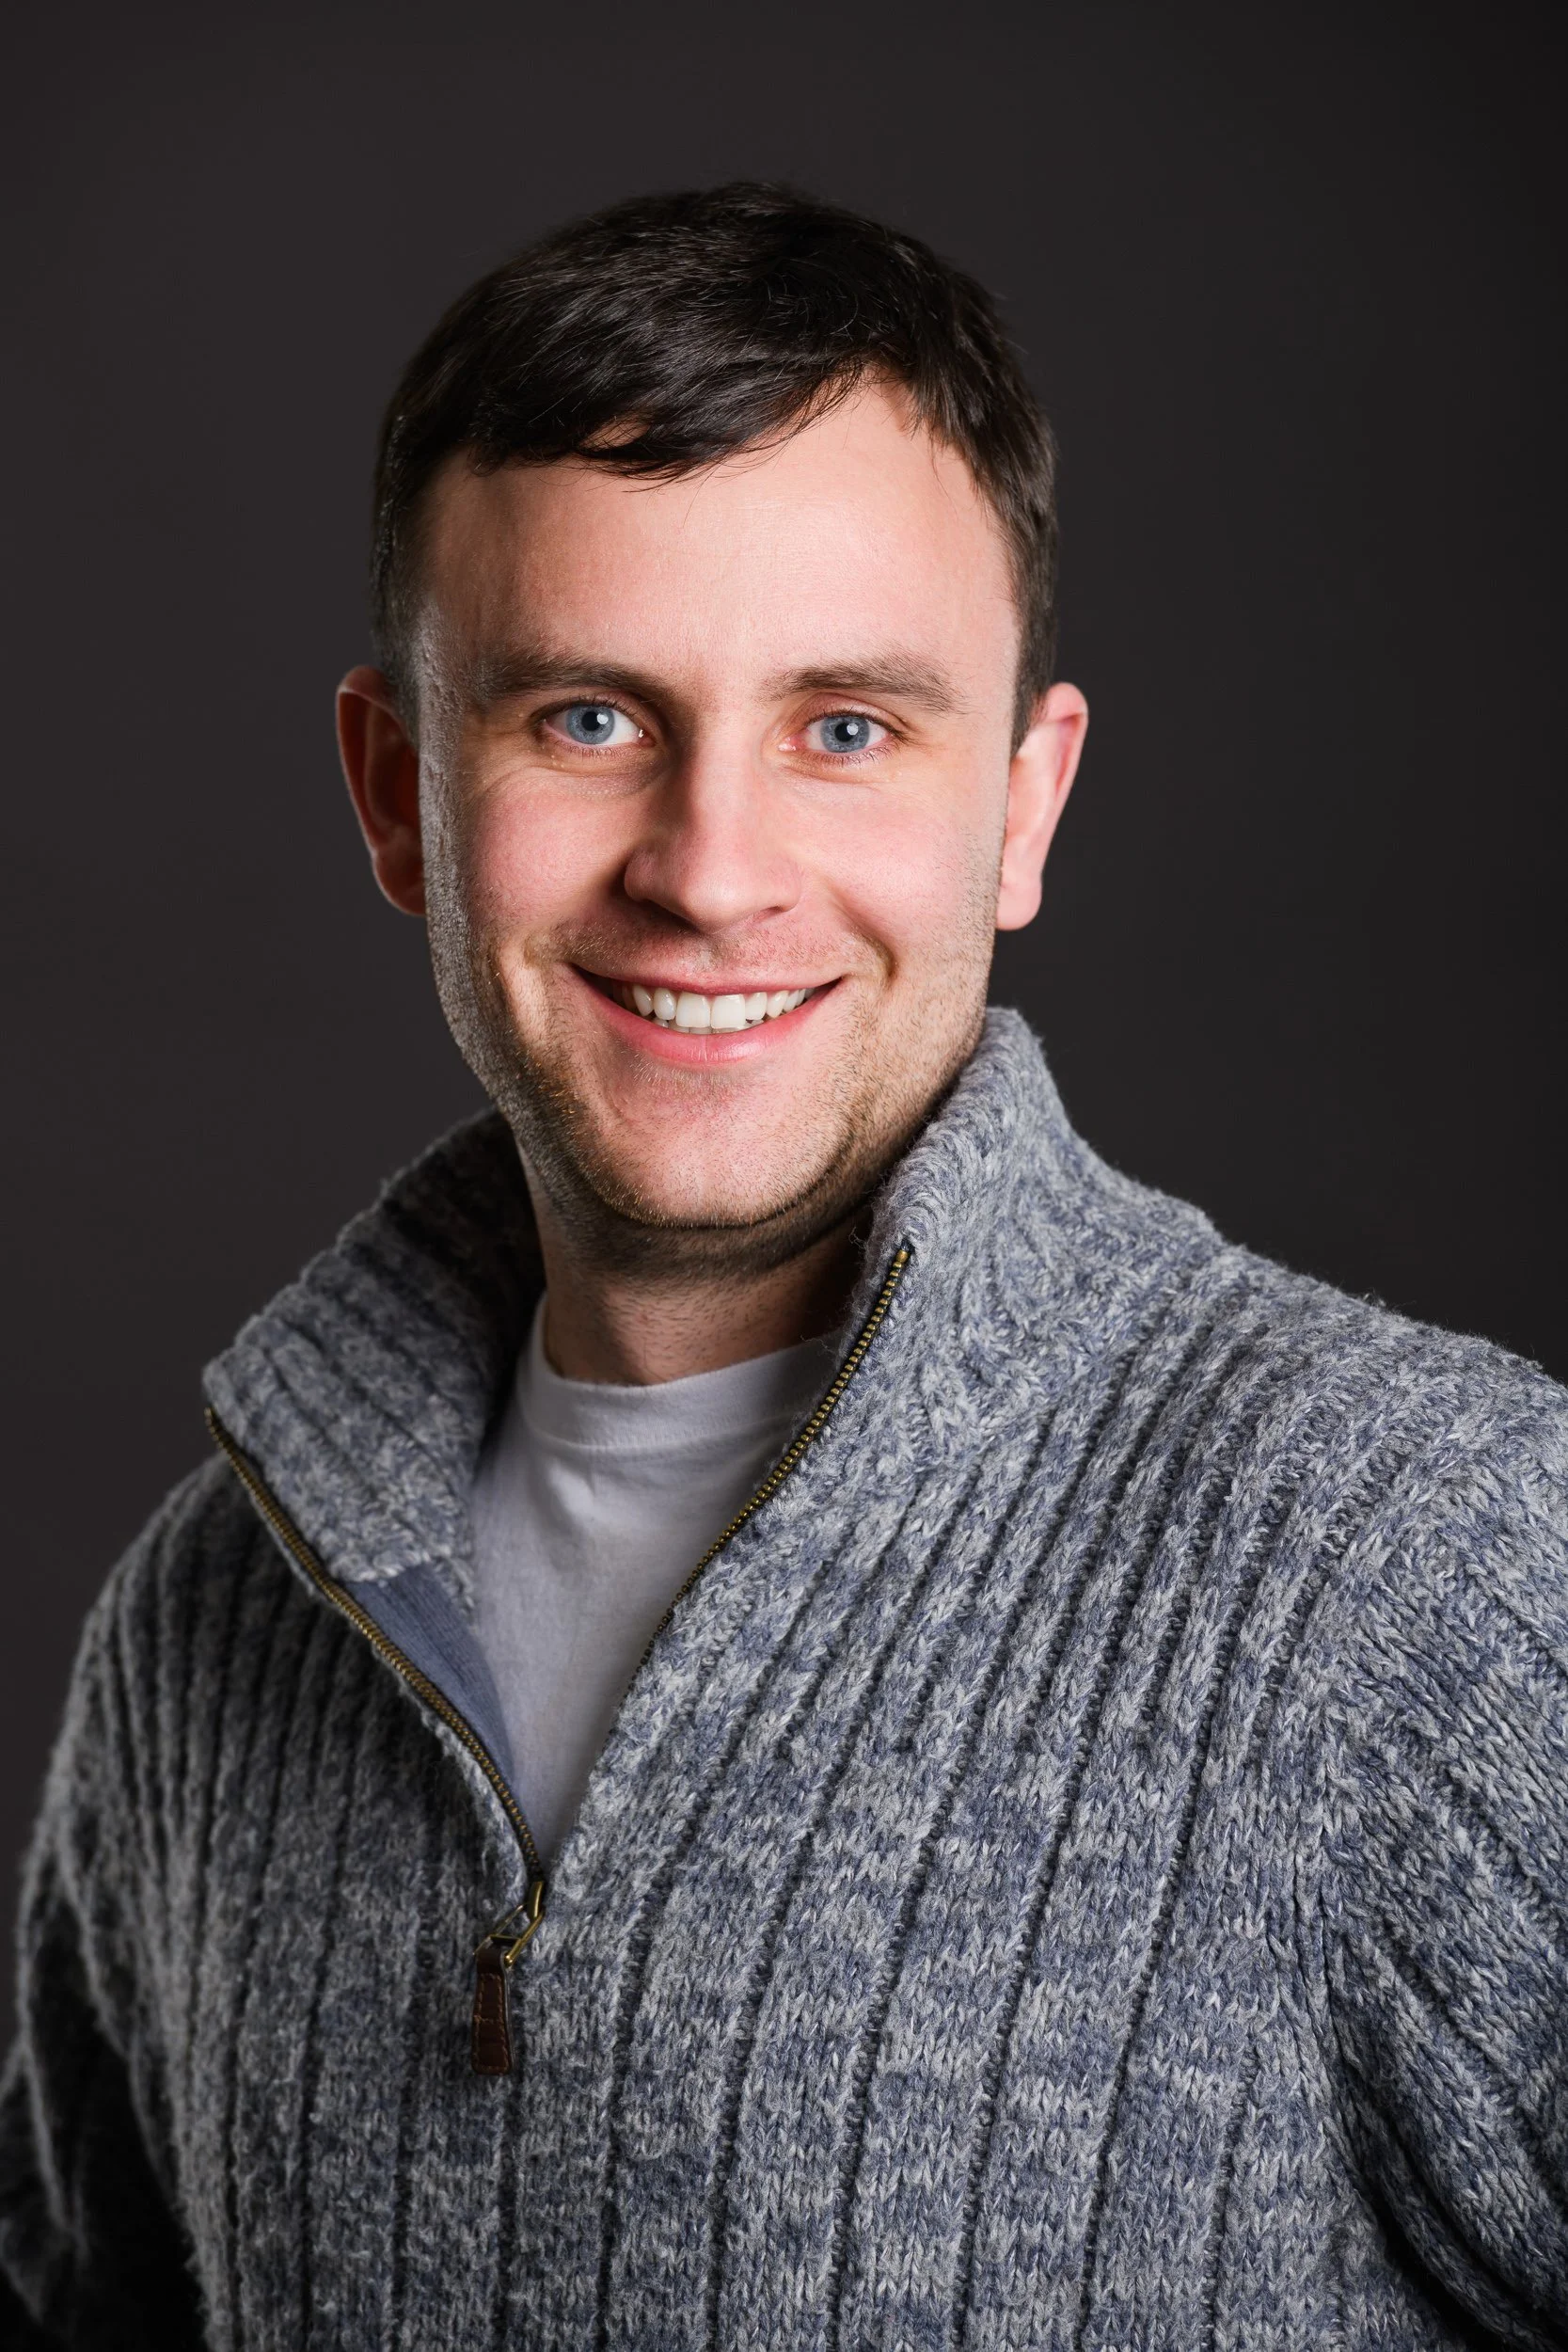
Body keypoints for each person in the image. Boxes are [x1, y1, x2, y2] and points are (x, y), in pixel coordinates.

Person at [2, 181, 1564, 2352]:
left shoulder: (1434, 1556)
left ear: (1020, 805)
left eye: (846, 728)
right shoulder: (203, 1639)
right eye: (583, 718)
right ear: (393, 793)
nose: (711, 870)